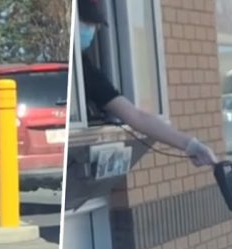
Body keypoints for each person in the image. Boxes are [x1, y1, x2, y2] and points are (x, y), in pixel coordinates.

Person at [77, 0, 217, 167]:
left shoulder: (84, 68)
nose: (93, 30)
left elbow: (135, 116)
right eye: (87, 23)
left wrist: (191, 145)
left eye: (95, 25)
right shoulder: (73, 67)